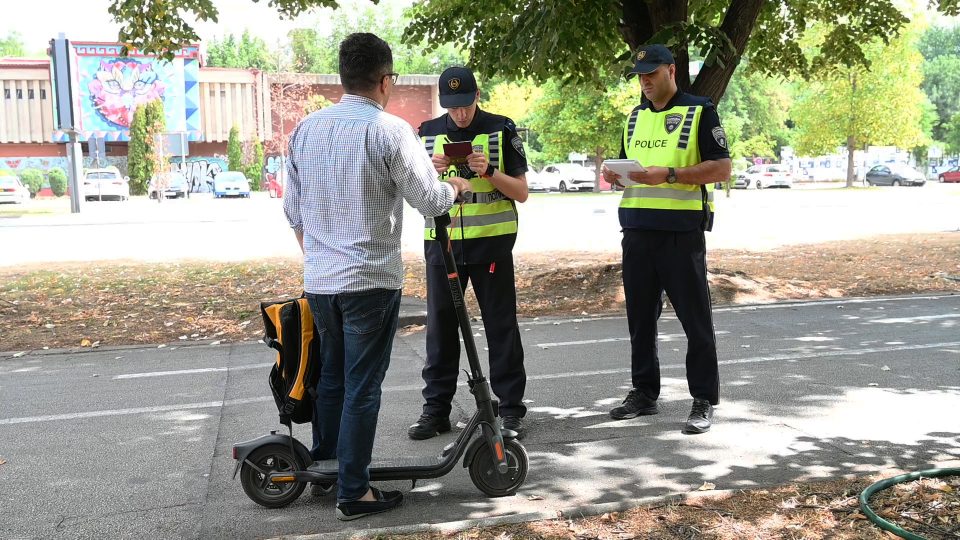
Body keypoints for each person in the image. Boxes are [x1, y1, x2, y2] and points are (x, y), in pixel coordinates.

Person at [283, 33, 471, 521]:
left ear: (344, 76)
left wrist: (321, 258)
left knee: (331, 378)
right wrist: (454, 187)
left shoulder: (305, 130)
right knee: (362, 385)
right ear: (385, 80)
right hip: (370, 280)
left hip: (321, 282)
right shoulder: (389, 131)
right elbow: (428, 200)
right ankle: (353, 492)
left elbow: (293, 211)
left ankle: (328, 468)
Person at [602, 44, 731, 435]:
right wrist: (615, 177)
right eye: (640, 76)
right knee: (640, 320)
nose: (645, 82)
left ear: (671, 71)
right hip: (637, 230)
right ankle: (644, 392)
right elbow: (631, 172)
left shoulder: (699, 110)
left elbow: (722, 168)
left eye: (651, 74)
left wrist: (671, 175)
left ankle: (703, 398)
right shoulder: (635, 117)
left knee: (696, 320)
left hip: (680, 233)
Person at [407, 66, 531, 440]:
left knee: (501, 328)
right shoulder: (426, 133)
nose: (459, 113)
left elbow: (521, 192)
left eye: (465, 104)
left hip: (492, 243)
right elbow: (413, 192)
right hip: (442, 244)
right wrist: (430, 173)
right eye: (452, 106)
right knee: (440, 330)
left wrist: (489, 171)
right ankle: (436, 410)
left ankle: (511, 410)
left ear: (477, 95)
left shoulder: (501, 128)